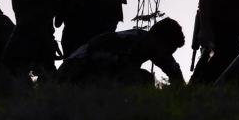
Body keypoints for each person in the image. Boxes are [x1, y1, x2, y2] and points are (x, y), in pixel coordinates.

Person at [57, 17, 186, 86]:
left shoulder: (154, 45)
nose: (168, 55)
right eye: (168, 50)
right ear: (158, 41)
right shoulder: (130, 43)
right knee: (141, 79)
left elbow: (174, 72)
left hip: (91, 73)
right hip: (73, 73)